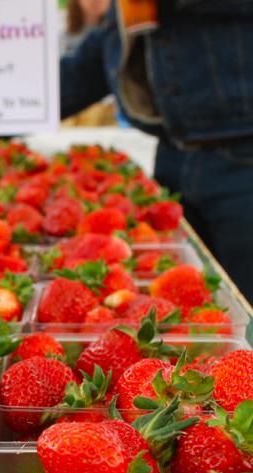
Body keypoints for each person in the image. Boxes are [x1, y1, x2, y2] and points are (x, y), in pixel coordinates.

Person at [61, 0, 253, 302]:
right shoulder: (126, 8)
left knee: (245, 305)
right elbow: (83, 73)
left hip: (242, 161)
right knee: (203, 310)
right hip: (173, 160)